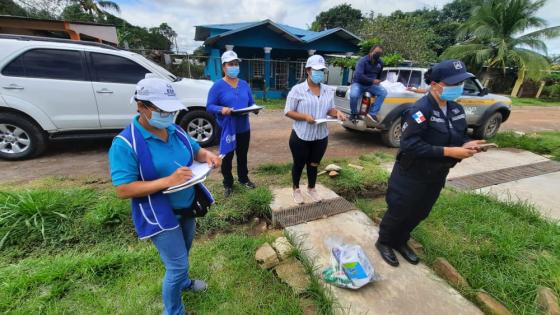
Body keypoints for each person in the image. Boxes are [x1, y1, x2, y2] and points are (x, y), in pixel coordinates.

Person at [109, 74, 221, 315]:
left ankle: (183, 283)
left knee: (184, 251)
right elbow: (123, 189)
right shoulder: (125, 144)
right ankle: (173, 311)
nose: (169, 116)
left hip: (187, 204)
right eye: (163, 110)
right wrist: (167, 181)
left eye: (171, 110)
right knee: (177, 265)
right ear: (141, 106)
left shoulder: (175, 130)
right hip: (159, 213)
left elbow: (196, 151)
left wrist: (207, 156)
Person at [376, 60, 486, 267]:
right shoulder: (419, 110)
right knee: (400, 210)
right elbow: (409, 145)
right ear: (434, 84)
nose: (458, 88)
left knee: (420, 211)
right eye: (452, 84)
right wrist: (450, 151)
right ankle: (384, 242)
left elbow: (459, 135)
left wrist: (468, 143)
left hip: (436, 174)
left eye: (461, 83)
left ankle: (401, 241)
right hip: (411, 173)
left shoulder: (456, 109)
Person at [284, 55, 347, 204]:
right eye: (316, 70)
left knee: (314, 164)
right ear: (308, 70)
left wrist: (337, 112)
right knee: (298, 164)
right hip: (301, 136)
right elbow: (288, 111)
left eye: (322, 70)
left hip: (320, 136)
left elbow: (329, 109)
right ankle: (296, 189)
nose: (319, 73)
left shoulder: (327, 90)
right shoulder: (297, 90)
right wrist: (305, 117)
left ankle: (311, 188)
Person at [207, 50, 257, 197]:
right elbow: (209, 106)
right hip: (227, 128)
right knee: (227, 157)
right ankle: (228, 183)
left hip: (243, 128)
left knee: (242, 156)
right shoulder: (217, 86)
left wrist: (255, 109)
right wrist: (221, 109)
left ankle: (243, 179)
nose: (234, 67)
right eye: (231, 64)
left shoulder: (244, 84)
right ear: (224, 67)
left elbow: (251, 102)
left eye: (236, 64)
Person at [349, 45, 387, 123]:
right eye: (376, 52)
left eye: (380, 53)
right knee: (353, 95)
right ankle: (354, 113)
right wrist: (372, 80)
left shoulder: (380, 62)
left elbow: (380, 75)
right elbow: (359, 75)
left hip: (370, 85)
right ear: (371, 51)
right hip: (358, 83)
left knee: (383, 92)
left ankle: (372, 113)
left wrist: (380, 80)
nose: (378, 54)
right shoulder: (362, 61)